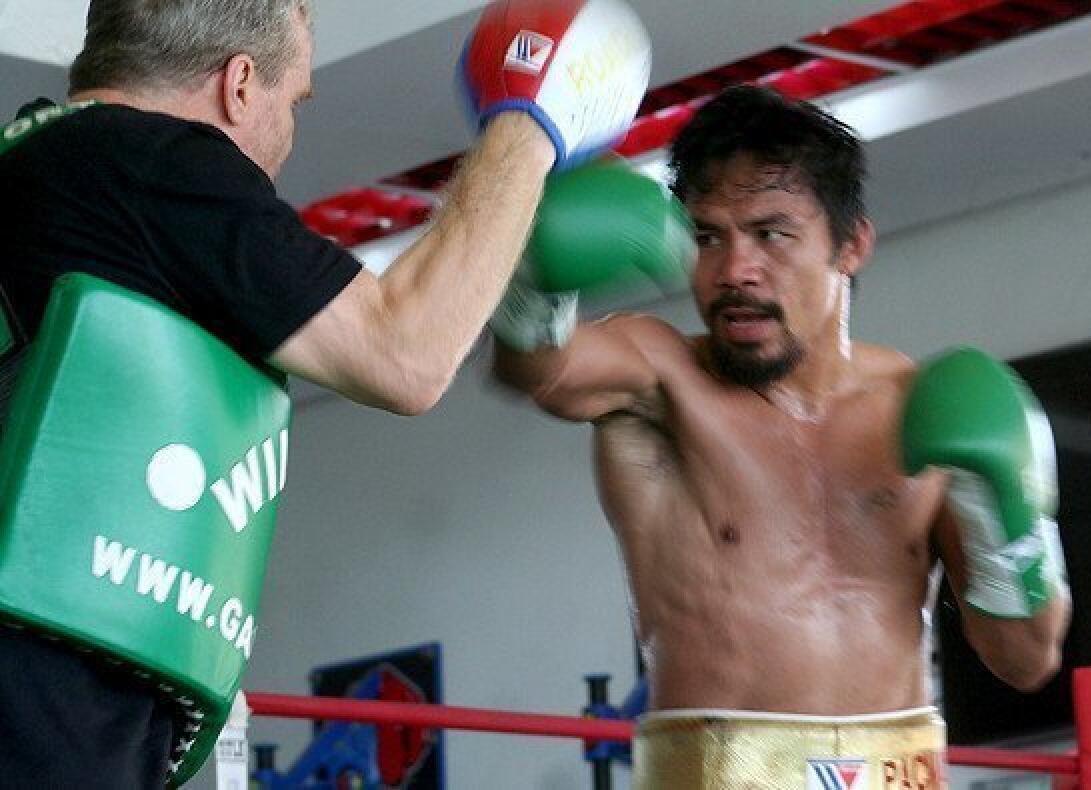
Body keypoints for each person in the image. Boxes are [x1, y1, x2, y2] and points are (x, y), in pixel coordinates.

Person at [0, 0, 650, 785]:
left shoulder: (45, 166)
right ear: (240, 86)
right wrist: (528, 121)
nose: (289, 129)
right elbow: (404, 355)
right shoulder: (155, 162)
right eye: (296, 100)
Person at [493, 85, 1072, 787]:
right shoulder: (661, 378)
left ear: (851, 245)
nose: (735, 271)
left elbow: (1024, 660)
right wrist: (533, 282)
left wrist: (1004, 513)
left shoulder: (920, 409)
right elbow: (535, 369)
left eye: (771, 234)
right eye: (709, 236)